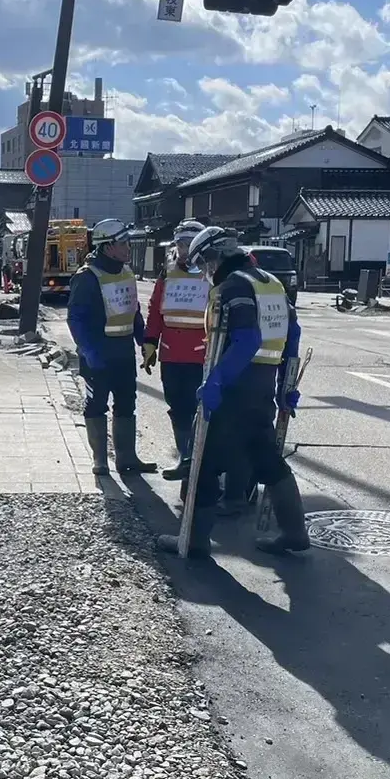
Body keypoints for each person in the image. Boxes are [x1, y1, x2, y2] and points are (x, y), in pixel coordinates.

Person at [157, 226, 309, 560]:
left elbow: (247, 340)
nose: (205, 272)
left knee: (204, 462)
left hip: (234, 387)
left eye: (204, 264)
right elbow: (292, 336)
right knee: (265, 457)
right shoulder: (271, 283)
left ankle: (193, 541)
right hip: (262, 388)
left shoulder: (233, 286)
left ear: (216, 257)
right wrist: (286, 388)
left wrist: (217, 382)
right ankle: (294, 531)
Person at [67, 219, 156, 475]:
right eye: (123, 243)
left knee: (126, 403)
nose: (128, 247)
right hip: (98, 355)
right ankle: (100, 460)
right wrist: (88, 351)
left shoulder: (126, 273)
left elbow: (134, 312)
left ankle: (127, 458)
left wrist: (144, 341)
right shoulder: (87, 277)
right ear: (107, 247)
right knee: (96, 405)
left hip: (123, 353)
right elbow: (75, 319)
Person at [141, 219, 212, 481]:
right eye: (180, 244)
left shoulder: (211, 272)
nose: (183, 250)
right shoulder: (168, 271)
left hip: (202, 354)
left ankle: (201, 460)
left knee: (199, 408)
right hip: (171, 352)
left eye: (188, 244)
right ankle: (185, 457)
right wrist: (150, 341)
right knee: (177, 407)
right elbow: (155, 308)